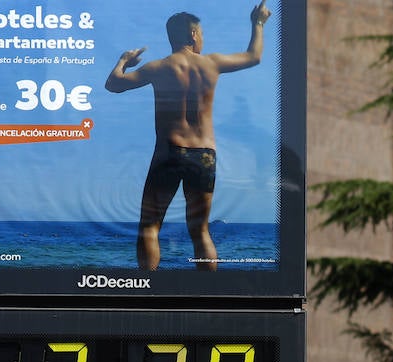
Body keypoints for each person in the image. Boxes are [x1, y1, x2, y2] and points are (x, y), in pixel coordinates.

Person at [104, 4, 272, 270]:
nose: (203, 38)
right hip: (203, 155)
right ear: (194, 34)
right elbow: (254, 56)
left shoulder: (156, 67)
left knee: (149, 227)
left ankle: (148, 290)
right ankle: (208, 294)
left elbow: (113, 84)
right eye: (202, 33)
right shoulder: (212, 64)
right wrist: (258, 23)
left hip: (169, 152)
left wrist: (124, 60)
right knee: (200, 230)